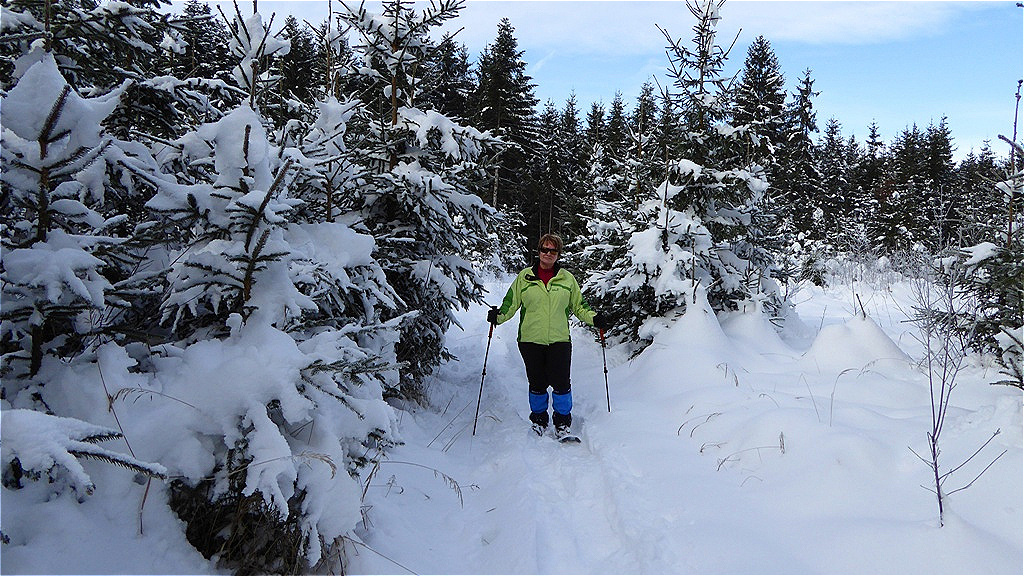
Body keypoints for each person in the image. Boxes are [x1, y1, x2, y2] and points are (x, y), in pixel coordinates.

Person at [487, 233, 608, 437]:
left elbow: (579, 307)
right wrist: (497, 317)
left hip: (559, 340)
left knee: (561, 383)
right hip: (530, 340)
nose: (548, 254)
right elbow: (511, 303)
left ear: (558, 254)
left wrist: (595, 318)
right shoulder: (524, 277)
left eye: (553, 250)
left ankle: (562, 423)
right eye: (545, 249)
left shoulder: (566, 279)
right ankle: (539, 420)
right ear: (539, 251)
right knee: (537, 383)